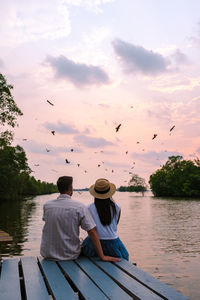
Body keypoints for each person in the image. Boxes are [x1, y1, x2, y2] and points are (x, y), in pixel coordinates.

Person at [40, 176, 120, 262]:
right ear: (71, 188)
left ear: (58, 189)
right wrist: (102, 256)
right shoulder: (79, 207)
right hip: (70, 255)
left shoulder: (47, 205)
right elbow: (92, 231)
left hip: (47, 254)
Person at [82, 178, 129, 260]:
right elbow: (115, 225)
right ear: (109, 193)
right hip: (112, 243)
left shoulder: (89, 208)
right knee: (125, 257)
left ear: (95, 193)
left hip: (94, 244)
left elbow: (89, 229)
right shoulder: (117, 207)